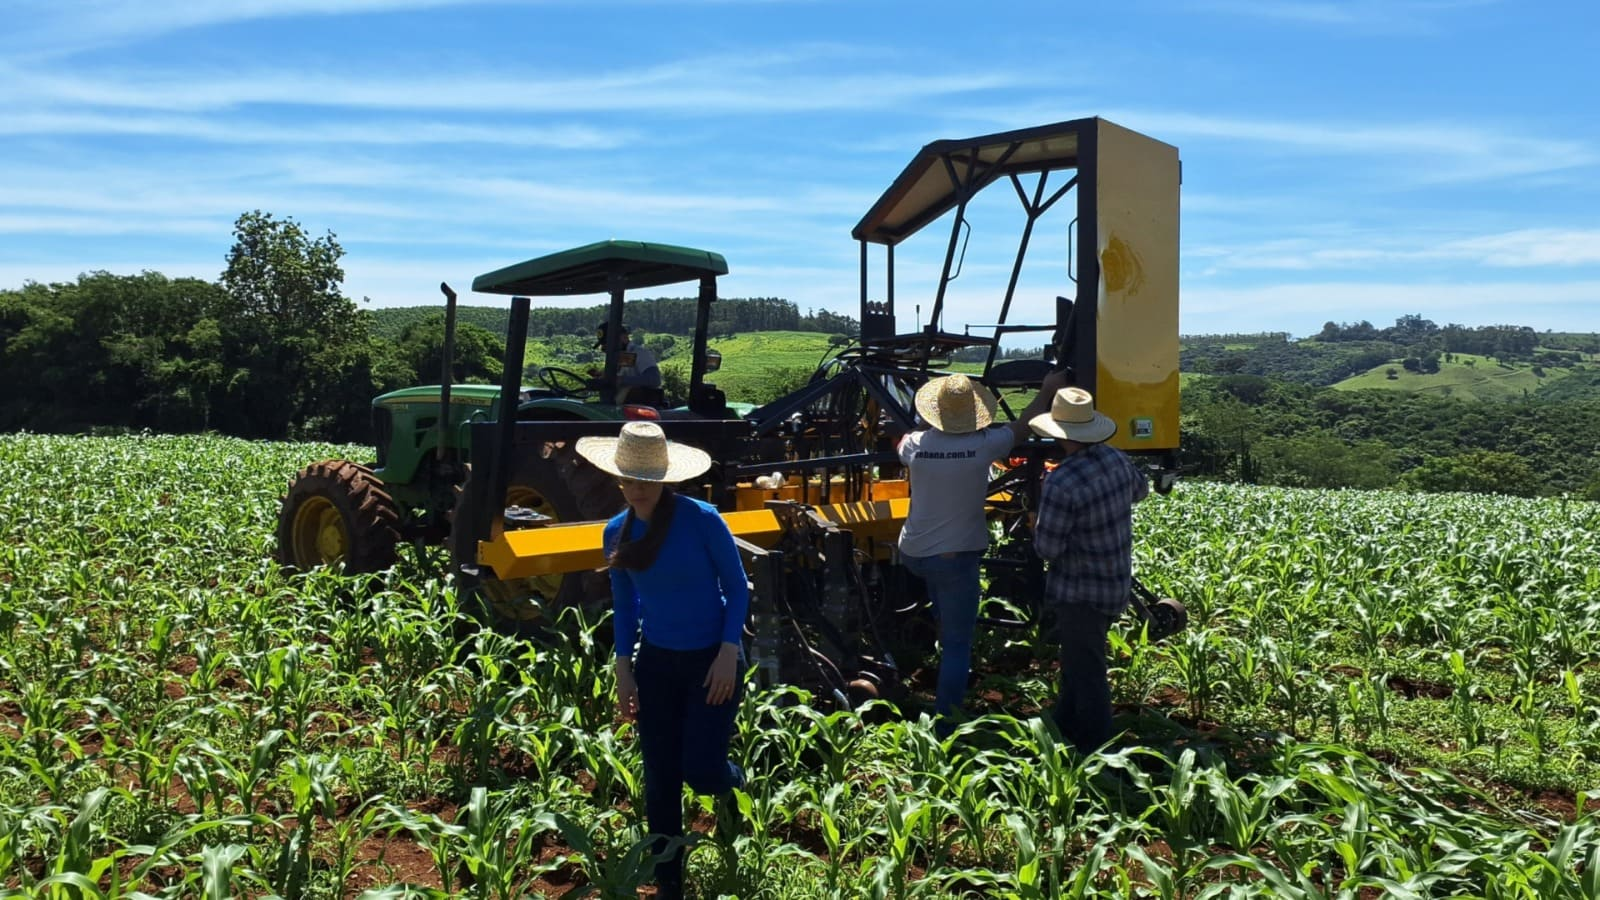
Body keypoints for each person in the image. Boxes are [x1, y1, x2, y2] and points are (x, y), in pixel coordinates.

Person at [575, 421, 747, 900]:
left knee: (703, 770)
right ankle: (669, 880)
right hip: (655, 665)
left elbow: (735, 588)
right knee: (660, 778)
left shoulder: (702, 519)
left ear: (666, 479)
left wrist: (728, 651)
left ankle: (735, 783)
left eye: (646, 481)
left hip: (712, 660)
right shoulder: (616, 531)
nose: (637, 490)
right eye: (629, 480)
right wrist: (624, 670)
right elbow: (625, 606)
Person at [896, 369, 1068, 736]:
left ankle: (939, 635)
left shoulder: (914, 444)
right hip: (954, 558)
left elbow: (900, 443)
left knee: (944, 609)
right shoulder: (985, 446)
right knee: (960, 645)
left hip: (913, 552)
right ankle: (946, 726)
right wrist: (1048, 389)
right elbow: (1025, 424)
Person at [1028, 386, 1149, 754]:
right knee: (1079, 659)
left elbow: (1047, 548)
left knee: (1089, 670)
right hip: (1114, 583)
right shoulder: (1116, 459)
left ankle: (1098, 750)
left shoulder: (1062, 481)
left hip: (1079, 591)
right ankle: (1063, 724)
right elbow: (1141, 492)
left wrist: (1034, 521)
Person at [592, 322, 662, 398]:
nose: (606, 348)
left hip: (642, 404)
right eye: (604, 345)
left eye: (608, 343)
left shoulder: (640, 353)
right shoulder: (619, 357)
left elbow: (654, 379)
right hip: (619, 405)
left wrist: (620, 380)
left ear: (624, 337)